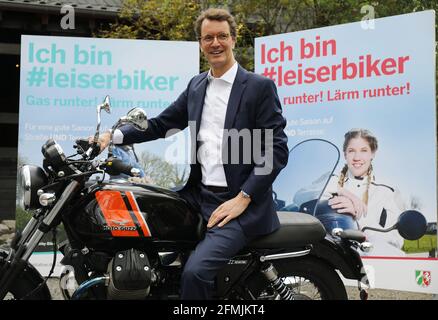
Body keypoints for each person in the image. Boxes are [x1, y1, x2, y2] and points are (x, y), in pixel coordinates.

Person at [97, 8, 288, 299]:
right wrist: (115, 136)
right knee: (143, 226)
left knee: (195, 273)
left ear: (234, 39)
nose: (215, 43)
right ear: (201, 43)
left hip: (240, 205)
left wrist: (243, 198)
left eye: (222, 36)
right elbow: (162, 124)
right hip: (199, 195)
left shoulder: (258, 87)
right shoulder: (197, 85)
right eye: (208, 37)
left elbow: (276, 149)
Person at [322, 128, 406, 256]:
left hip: (367, 259)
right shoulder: (330, 180)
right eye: (351, 151)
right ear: (345, 154)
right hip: (329, 256)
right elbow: (299, 196)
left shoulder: (387, 190)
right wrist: (342, 191)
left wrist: (357, 217)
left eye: (364, 151)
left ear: (373, 153)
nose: (357, 157)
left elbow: (395, 241)